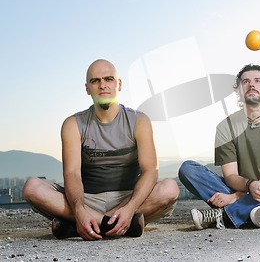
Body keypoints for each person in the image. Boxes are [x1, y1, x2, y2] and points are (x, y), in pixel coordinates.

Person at [22, 59, 179, 240]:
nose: (102, 85)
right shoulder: (73, 124)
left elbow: (150, 171)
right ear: (87, 88)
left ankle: (79, 226)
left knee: (170, 188)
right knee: (32, 187)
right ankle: (116, 225)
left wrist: (130, 207)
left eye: (108, 79)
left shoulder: (139, 121)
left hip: (128, 198)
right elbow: (72, 173)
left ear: (119, 84)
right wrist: (80, 209)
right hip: (87, 199)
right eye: (95, 81)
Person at [178, 64, 260, 230]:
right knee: (188, 169)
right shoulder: (225, 126)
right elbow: (231, 175)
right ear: (239, 91)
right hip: (237, 189)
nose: (251, 84)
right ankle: (251, 214)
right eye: (245, 81)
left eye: (257, 81)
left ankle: (226, 215)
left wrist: (238, 196)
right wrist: (246, 188)